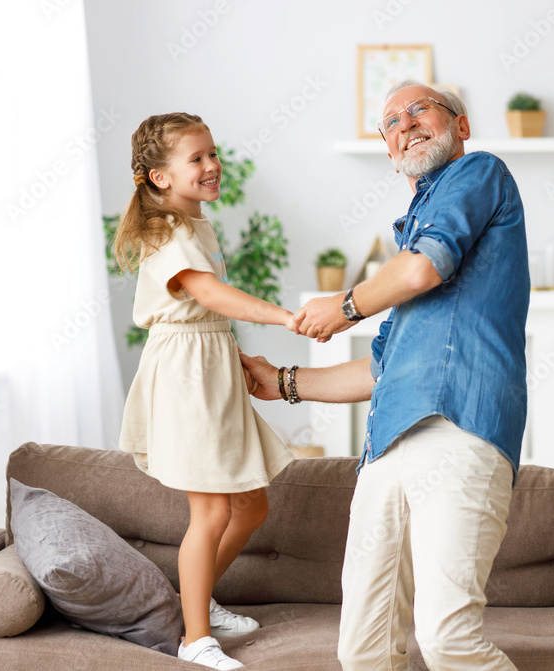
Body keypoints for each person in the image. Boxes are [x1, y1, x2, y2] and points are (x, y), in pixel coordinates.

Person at [240, 81, 529, 670]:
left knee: (449, 638)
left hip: (458, 429)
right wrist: (283, 382)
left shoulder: (479, 174)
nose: (405, 123)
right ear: (389, 149)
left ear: (461, 124)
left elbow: (424, 268)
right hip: (384, 450)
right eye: (391, 120)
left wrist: (344, 306)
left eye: (419, 108)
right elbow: (380, 370)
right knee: (364, 650)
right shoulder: (404, 251)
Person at [114, 112, 296, 670]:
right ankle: (194, 640)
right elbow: (209, 296)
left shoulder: (196, 225)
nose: (213, 165)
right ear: (160, 178)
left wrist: (236, 357)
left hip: (208, 364)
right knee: (212, 510)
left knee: (251, 502)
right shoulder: (167, 232)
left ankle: (193, 602)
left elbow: (199, 314)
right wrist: (286, 318)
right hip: (186, 376)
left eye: (212, 153)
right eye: (196, 158)